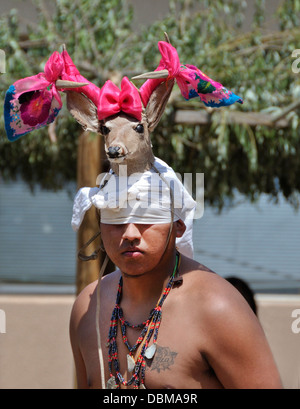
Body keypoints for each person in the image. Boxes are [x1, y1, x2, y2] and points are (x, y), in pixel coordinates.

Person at [69, 168, 282, 390]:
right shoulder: (88, 307)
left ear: (178, 224)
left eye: (147, 215)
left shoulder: (218, 308)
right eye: (116, 216)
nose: (130, 233)